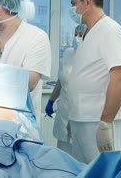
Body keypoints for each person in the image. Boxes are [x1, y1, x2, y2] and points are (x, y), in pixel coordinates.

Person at [66, 0, 121, 164]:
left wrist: (105, 122)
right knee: (86, 170)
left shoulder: (110, 30)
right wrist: (74, 116)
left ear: (87, 2)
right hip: (84, 117)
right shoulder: (89, 32)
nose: (72, 9)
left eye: (74, 3)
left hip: (100, 119)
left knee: (105, 170)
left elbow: (120, 78)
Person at [45, 23, 87, 154]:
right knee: (63, 153)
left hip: (82, 113)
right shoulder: (69, 53)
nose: (76, 38)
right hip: (64, 110)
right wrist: (51, 101)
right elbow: (61, 80)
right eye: (75, 34)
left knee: (81, 156)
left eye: (81, 35)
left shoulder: (92, 57)